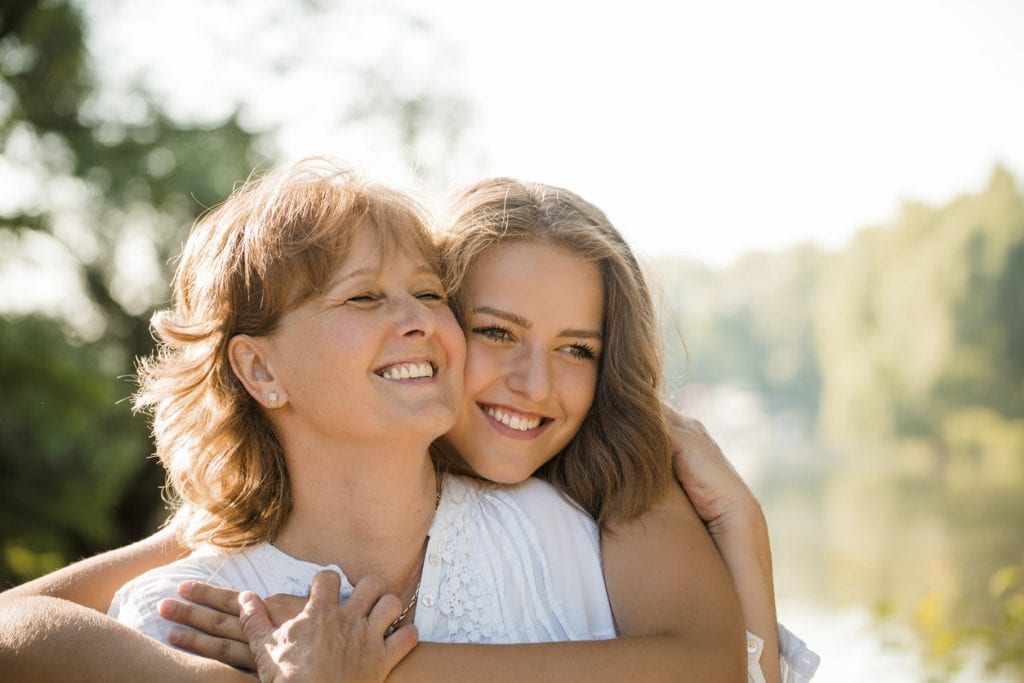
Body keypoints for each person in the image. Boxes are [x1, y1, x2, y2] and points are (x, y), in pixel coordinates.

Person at [0, 168, 819, 681]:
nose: (534, 384)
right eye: (495, 330)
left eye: (577, 349)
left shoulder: (590, 512)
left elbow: (710, 667)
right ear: (260, 369)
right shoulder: (199, 600)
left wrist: (742, 529)